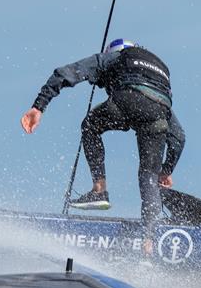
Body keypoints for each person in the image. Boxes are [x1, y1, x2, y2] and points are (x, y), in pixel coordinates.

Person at [20, 39, 185, 254]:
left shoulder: (116, 56)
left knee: (90, 125)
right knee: (149, 177)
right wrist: (167, 170)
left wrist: (38, 106)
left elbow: (67, 72)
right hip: (159, 113)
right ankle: (149, 240)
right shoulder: (159, 70)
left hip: (128, 98)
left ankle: (99, 190)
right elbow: (179, 138)